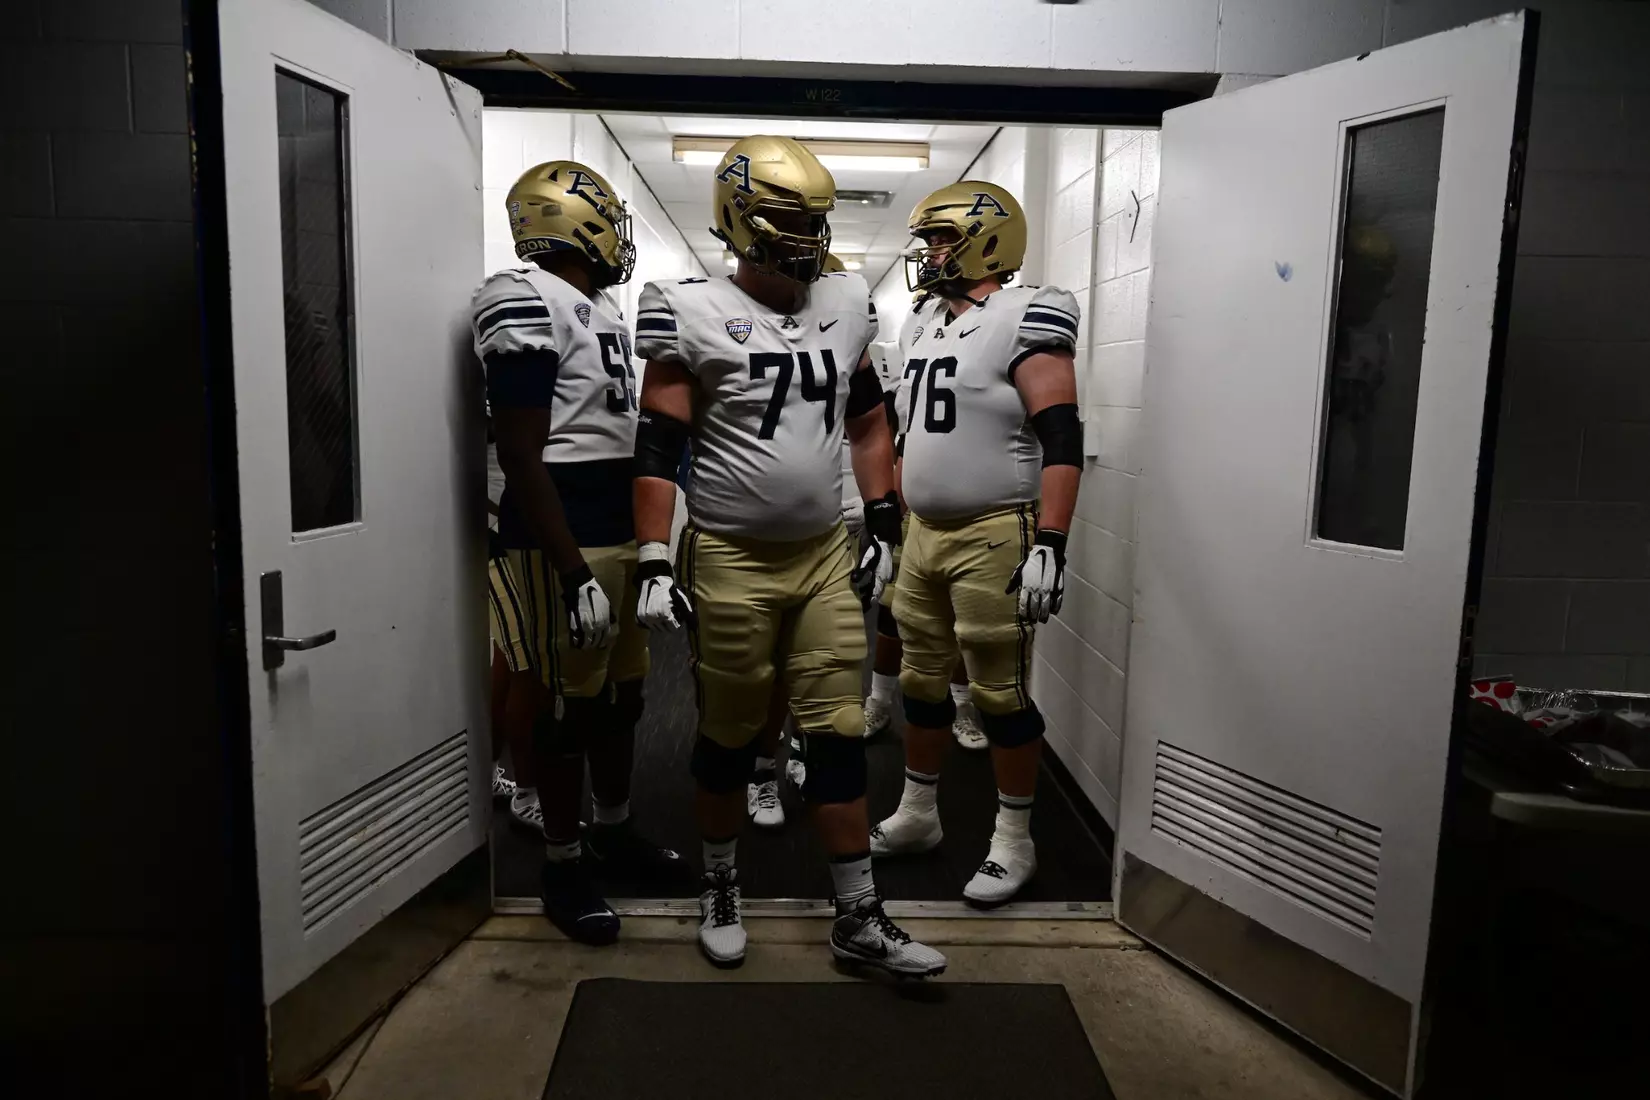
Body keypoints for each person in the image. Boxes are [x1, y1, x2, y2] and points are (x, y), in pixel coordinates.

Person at [629, 136, 946, 978]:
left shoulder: (845, 300)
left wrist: (882, 517)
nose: (805, 237)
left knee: (837, 732)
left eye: (814, 220)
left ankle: (857, 914)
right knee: (731, 734)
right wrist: (654, 555)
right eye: (787, 219)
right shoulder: (687, 307)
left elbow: (870, 417)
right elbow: (658, 445)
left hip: (820, 556)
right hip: (730, 554)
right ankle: (723, 885)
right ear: (739, 219)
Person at [474, 159, 682, 946]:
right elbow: (522, 452)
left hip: (616, 532)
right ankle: (562, 863)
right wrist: (567, 570)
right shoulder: (523, 298)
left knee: (624, 696)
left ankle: (614, 828)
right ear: (574, 219)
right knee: (565, 708)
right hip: (560, 540)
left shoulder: (593, 305)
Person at [869, 181, 1084, 907]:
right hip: (925, 532)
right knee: (923, 682)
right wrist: (894, 523)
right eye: (928, 240)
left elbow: (1063, 437)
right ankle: (920, 814)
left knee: (997, 690)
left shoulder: (1027, 314)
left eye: (942, 239)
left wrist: (1052, 540)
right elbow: (906, 434)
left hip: (997, 530)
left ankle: (1014, 841)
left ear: (987, 240)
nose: (929, 254)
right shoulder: (924, 320)